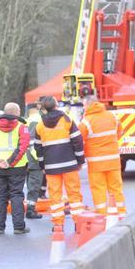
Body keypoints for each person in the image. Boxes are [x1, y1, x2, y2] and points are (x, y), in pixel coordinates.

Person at [34, 96, 85, 231]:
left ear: (44, 108)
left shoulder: (40, 125)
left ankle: (58, 225)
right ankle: (78, 223)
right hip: (69, 164)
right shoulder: (67, 120)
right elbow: (77, 141)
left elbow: (38, 149)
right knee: (74, 194)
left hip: (51, 167)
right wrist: (80, 161)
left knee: (55, 196)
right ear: (56, 105)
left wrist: (42, 166)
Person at [0, 103, 31, 234]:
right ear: (17, 112)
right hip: (17, 167)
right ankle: (18, 227)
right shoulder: (22, 127)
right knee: (16, 195)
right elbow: (22, 148)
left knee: (0, 196)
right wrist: (10, 162)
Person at [78, 95, 126, 217]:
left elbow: (79, 141)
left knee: (98, 189)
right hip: (113, 161)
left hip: (96, 164)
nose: (83, 107)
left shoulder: (86, 122)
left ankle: (103, 215)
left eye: (84, 105)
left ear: (88, 105)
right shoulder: (112, 117)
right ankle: (120, 213)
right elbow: (119, 133)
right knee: (116, 188)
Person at [24, 107, 44, 219]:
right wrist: (39, 158)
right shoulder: (36, 119)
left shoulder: (30, 119)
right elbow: (32, 141)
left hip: (29, 158)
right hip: (34, 158)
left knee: (32, 184)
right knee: (34, 185)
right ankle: (30, 210)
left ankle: (30, 208)